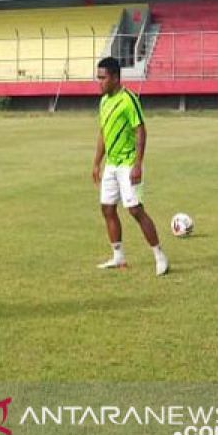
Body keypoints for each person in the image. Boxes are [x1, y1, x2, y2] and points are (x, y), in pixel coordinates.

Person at [92, 57, 168, 276]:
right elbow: (103, 133)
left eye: (103, 78)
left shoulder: (129, 100)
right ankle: (118, 256)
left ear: (115, 78)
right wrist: (97, 162)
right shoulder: (103, 101)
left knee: (135, 210)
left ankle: (159, 255)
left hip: (127, 164)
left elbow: (140, 130)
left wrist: (138, 164)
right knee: (107, 208)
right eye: (98, 78)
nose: (100, 82)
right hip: (111, 165)